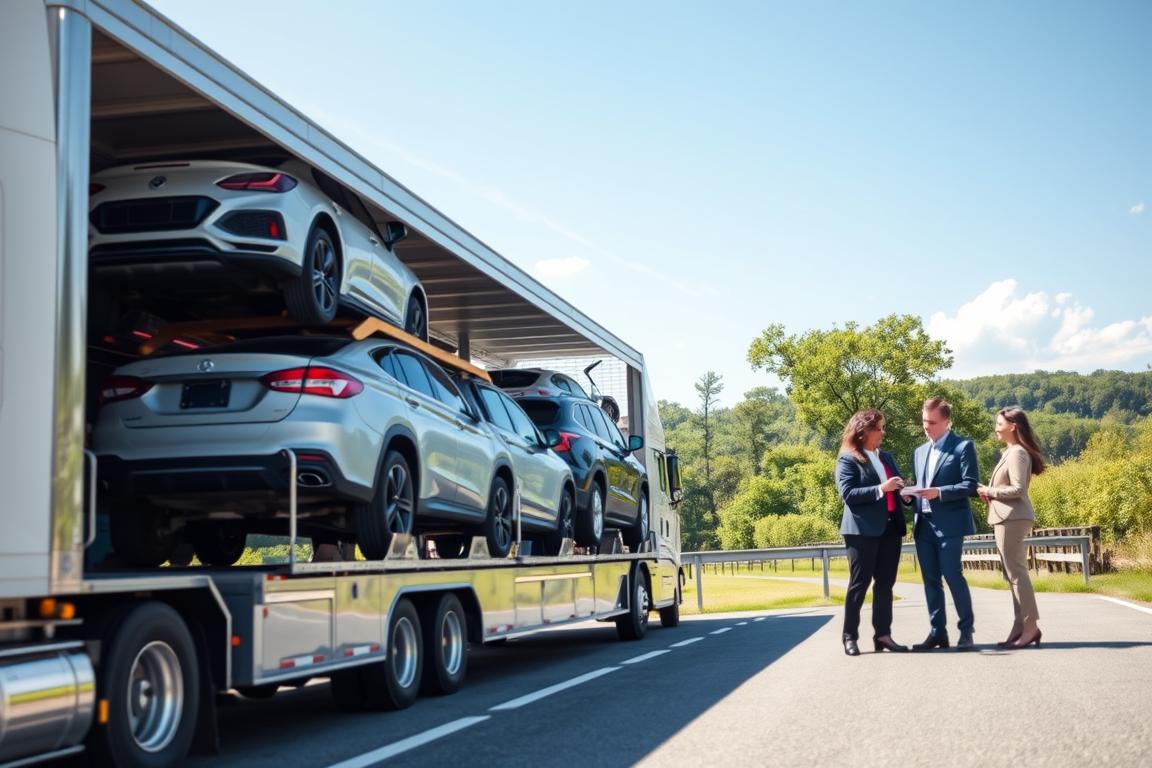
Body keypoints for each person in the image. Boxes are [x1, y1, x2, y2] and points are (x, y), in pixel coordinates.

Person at [834, 409, 909, 656]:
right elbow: (849, 495)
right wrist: (881, 488)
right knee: (860, 583)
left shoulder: (885, 457)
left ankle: (883, 636)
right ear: (863, 430)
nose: (882, 432)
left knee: (885, 584)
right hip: (861, 531)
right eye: (878, 428)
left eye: (882, 427)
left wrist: (906, 494)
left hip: (890, 528)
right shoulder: (848, 459)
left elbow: (895, 488)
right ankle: (849, 636)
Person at [906, 397, 979, 651]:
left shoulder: (963, 447)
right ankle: (938, 632)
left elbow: (970, 485)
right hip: (923, 525)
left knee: (952, 575)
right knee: (930, 580)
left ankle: (966, 631)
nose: (927, 427)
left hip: (950, 525)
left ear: (947, 421)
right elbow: (921, 486)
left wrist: (940, 492)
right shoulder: (919, 451)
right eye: (924, 421)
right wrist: (908, 496)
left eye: (932, 422)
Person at [977, 406, 1046, 649]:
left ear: (1012, 426)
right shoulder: (1009, 452)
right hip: (1005, 517)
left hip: (1012, 518)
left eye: (999, 424)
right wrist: (991, 494)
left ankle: (1030, 627)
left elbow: (1018, 489)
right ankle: (1020, 627)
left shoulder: (1017, 453)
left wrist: (990, 491)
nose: (996, 428)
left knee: (1016, 574)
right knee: (1012, 575)